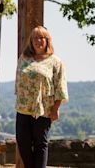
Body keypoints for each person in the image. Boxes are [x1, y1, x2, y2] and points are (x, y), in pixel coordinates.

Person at [15, 26, 68, 168]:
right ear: (31, 42)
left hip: (44, 109)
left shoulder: (55, 62)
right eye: (35, 38)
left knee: (40, 144)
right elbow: (18, 80)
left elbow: (60, 87)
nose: (38, 41)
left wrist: (56, 108)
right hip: (23, 109)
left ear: (47, 41)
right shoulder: (24, 58)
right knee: (22, 143)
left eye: (41, 38)